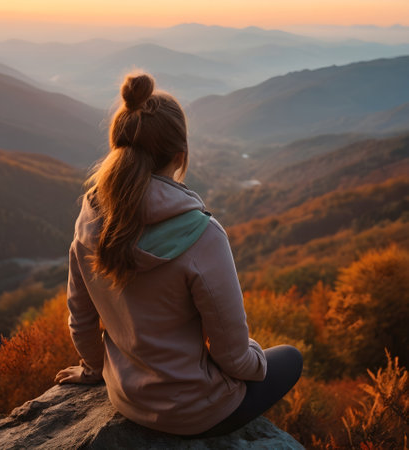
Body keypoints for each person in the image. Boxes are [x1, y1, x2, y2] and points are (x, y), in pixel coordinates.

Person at [54, 72, 303, 438]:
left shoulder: (90, 216)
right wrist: (255, 359)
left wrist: (93, 371)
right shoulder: (201, 235)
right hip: (191, 414)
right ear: (179, 153)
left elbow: (82, 317)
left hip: (123, 395)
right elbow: (233, 357)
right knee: (290, 358)